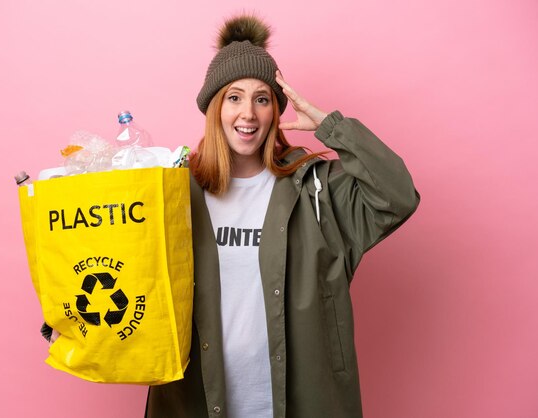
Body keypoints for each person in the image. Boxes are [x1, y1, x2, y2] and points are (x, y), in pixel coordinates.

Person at [144, 14, 420, 418]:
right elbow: (132, 273)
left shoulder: (316, 191)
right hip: (196, 401)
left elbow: (398, 197)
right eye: (234, 97)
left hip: (302, 402)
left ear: (275, 109)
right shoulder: (176, 194)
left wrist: (331, 127)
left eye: (262, 98)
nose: (248, 114)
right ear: (214, 108)